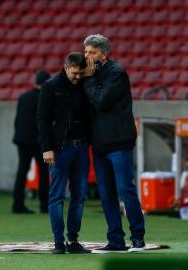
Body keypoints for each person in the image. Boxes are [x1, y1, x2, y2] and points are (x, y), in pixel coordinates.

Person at [82, 34, 145, 253]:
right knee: (107, 194)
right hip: (100, 144)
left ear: (104, 54)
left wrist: (87, 79)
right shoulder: (91, 74)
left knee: (125, 190)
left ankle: (138, 238)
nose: (87, 56)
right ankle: (116, 240)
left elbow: (101, 101)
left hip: (119, 142)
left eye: (92, 52)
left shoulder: (116, 73)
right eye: (86, 52)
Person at [37, 52, 91, 254]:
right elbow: (42, 119)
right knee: (57, 196)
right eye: (75, 74)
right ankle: (59, 242)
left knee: (79, 195)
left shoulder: (84, 85)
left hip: (81, 148)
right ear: (66, 67)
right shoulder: (51, 87)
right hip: (60, 149)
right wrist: (46, 147)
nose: (78, 78)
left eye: (81, 74)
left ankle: (73, 240)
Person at [12, 69, 50, 214]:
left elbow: (18, 120)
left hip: (22, 140)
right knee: (43, 173)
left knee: (22, 171)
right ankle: (44, 205)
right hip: (38, 141)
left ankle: (17, 204)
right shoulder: (44, 98)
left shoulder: (23, 97)